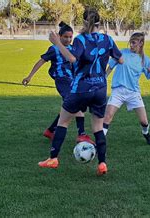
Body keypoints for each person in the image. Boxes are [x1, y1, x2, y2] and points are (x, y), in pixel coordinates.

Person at [38, 8, 123, 176]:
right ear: (99, 22)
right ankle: (102, 163)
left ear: (84, 22)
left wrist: (57, 43)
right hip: (100, 88)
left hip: (81, 88)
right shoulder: (108, 39)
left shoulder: (81, 39)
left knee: (63, 122)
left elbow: (71, 58)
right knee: (98, 127)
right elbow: (120, 59)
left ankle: (53, 159)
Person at [22, 22, 92, 144]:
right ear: (59, 37)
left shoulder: (72, 49)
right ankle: (81, 134)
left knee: (69, 107)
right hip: (62, 80)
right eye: (65, 37)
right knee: (76, 103)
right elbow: (41, 61)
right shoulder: (54, 49)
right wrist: (29, 76)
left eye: (70, 37)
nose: (69, 39)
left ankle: (50, 131)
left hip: (72, 81)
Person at [103, 32, 150, 145]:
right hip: (118, 90)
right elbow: (110, 68)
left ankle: (146, 133)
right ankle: (100, 142)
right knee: (108, 116)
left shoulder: (144, 60)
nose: (131, 45)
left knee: (144, 121)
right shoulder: (122, 53)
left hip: (133, 93)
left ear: (141, 43)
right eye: (131, 42)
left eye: (134, 43)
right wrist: (103, 78)